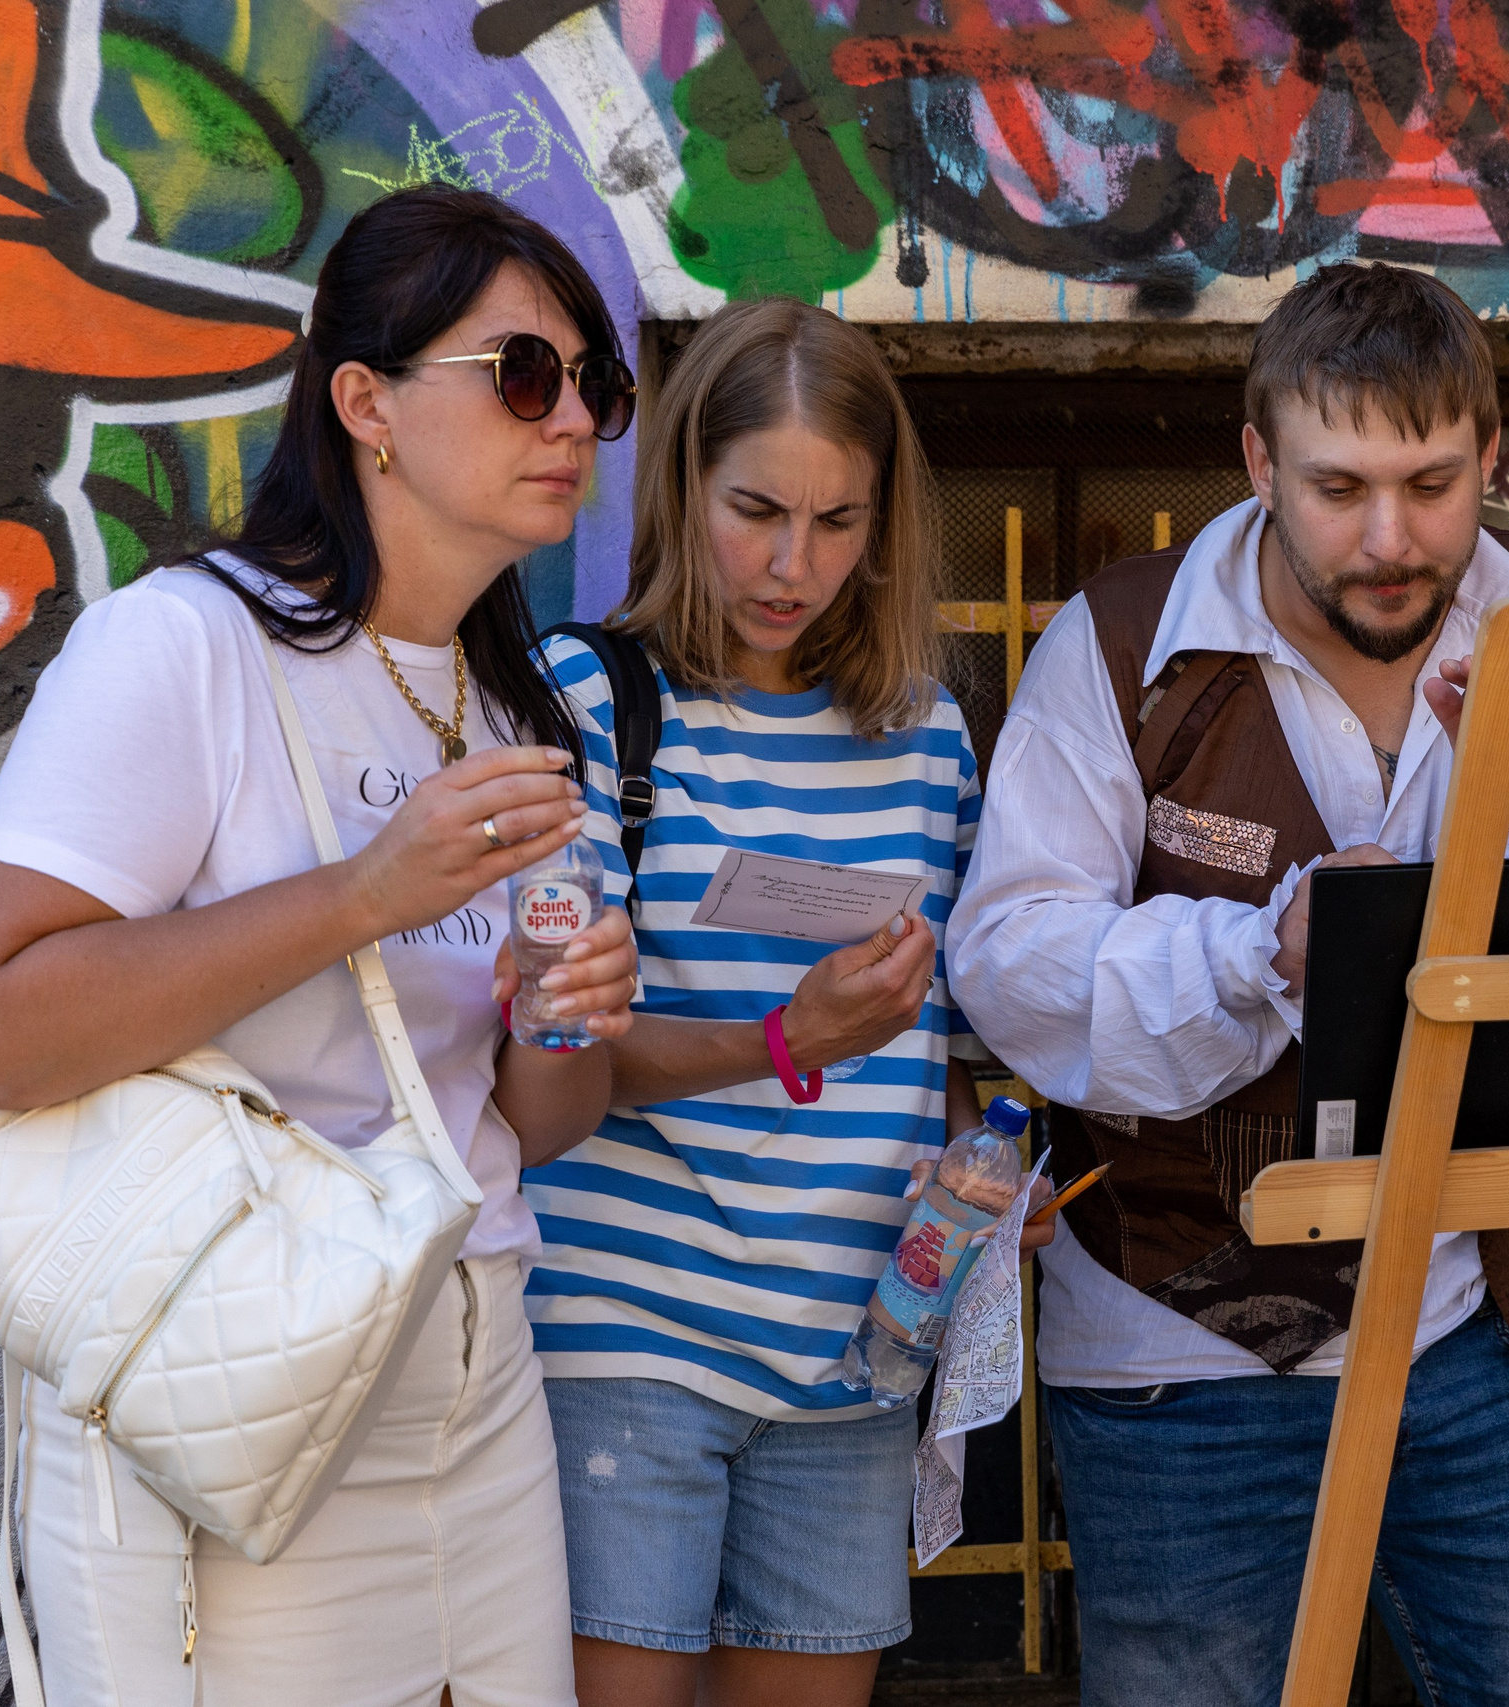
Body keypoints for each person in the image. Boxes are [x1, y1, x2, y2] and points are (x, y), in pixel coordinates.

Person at [945, 262, 1509, 1705]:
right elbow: (1012, 963)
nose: (1390, 538)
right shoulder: (1124, 642)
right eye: (1339, 488)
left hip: (1499, 1339)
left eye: (1431, 484)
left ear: (1493, 458)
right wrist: (1260, 953)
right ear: (1259, 460)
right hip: (1180, 1356)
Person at [0, 184, 642, 1703]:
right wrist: (362, 895)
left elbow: (534, 1122)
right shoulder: (186, 643)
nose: (573, 415)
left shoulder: (517, 709)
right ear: (366, 403)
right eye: (525, 373)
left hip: (477, 1382)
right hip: (228, 1385)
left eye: (597, 382)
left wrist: (564, 1016)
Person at [520, 297, 1047, 1707]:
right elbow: (549, 1062)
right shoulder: (590, 700)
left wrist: (975, 1176)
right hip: (623, 1332)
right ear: (685, 482)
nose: (791, 563)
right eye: (756, 509)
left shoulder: (928, 730)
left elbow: (934, 1039)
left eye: (838, 522)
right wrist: (787, 1039)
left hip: (855, 1354)